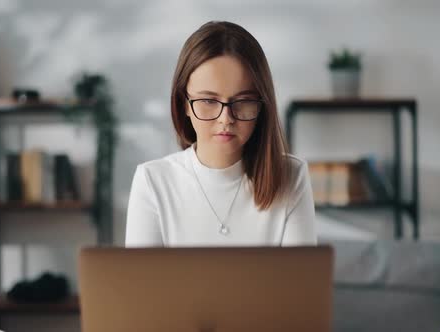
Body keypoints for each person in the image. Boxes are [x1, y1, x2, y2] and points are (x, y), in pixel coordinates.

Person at [125, 21, 316, 247]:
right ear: (184, 103)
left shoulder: (291, 177)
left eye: (243, 101)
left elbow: (301, 282)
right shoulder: (153, 181)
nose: (226, 119)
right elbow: (143, 283)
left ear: (263, 105)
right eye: (208, 100)